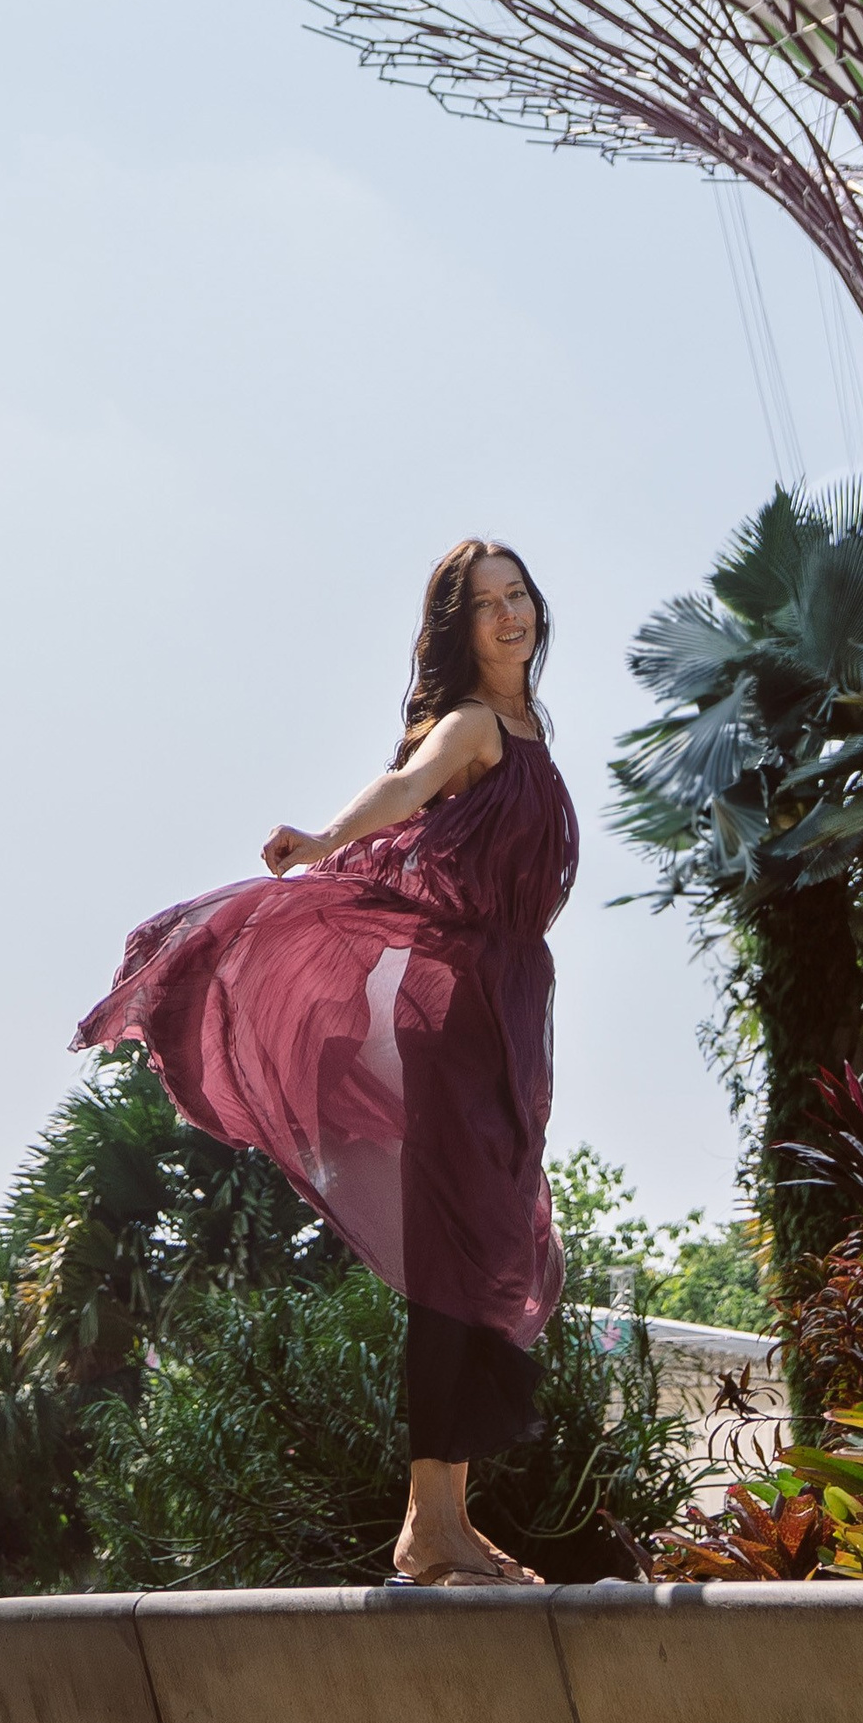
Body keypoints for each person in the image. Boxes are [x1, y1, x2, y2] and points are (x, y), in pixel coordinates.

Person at [74, 539, 577, 1588]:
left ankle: (444, 1516)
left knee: (488, 1250)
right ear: (459, 629)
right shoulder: (473, 725)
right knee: (456, 1253)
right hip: (456, 1011)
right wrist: (322, 841)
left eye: (518, 594)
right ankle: (428, 1526)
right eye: (486, 603)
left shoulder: (532, 729)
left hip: (508, 1006)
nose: (510, 614)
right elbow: (406, 784)